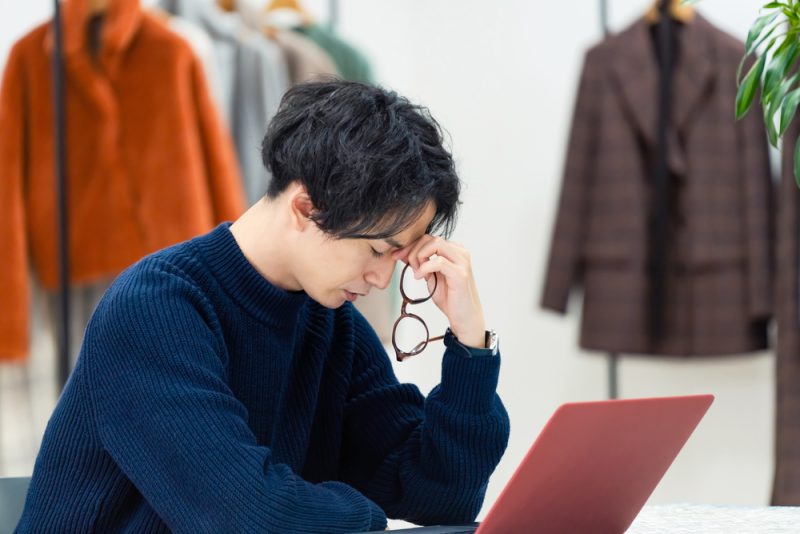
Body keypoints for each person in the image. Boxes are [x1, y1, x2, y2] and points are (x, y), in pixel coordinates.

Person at [17, 81, 510, 533]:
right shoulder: (155, 309)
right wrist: (368, 515)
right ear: (306, 208)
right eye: (378, 250)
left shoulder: (333, 324)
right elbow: (245, 517)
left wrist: (472, 347)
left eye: (398, 258)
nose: (382, 279)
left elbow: (441, 499)